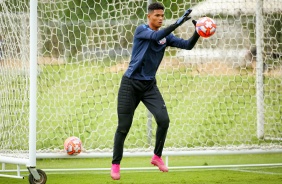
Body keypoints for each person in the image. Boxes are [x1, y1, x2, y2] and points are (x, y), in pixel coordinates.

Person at [111, 2, 200, 180]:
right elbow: (156, 35)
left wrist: (198, 31)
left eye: (162, 16)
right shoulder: (141, 30)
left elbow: (188, 45)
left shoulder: (165, 37)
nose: (160, 18)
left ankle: (157, 157)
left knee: (164, 120)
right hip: (130, 84)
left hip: (149, 86)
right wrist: (177, 23)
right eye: (157, 16)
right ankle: (115, 164)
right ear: (149, 16)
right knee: (123, 127)